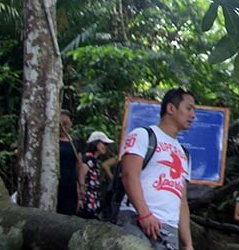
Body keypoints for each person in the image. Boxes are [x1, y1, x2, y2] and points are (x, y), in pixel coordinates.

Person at [115, 88, 197, 250]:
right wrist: (144, 213)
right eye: (188, 108)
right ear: (171, 108)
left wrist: (188, 244)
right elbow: (129, 175)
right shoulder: (143, 135)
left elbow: (182, 199)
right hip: (135, 218)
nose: (193, 115)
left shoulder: (184, 154)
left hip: (169, 228)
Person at [78, 130, 114, 219]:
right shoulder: (89, 158)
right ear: (96, 144)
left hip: (93, 196)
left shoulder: (94, 159)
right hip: (87, 197)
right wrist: (82, 191)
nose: (106, 147)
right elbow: (81, 173)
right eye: (104, 144)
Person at [56, 110, 81, 216]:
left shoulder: (75, 142)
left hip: (70, 184)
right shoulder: (50, 141)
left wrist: (80, 187)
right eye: (59, 124)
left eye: (65, 124)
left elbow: (79, 165)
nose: (62, 127)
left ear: (71, 123)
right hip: (55, 184)